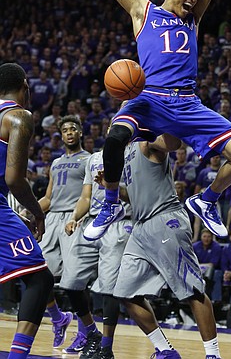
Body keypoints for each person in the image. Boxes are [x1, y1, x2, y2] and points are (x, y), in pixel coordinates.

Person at [85, 0, 231, 242]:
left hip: (187, 102)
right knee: (115, 139)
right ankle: (111, 202)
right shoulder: (142, 10)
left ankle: (207, 201)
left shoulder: (194, 17)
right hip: (148, 97)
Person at [90, 134, 222, 359]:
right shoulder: (126, 152)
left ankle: (213, 355)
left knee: (192, 291)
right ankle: (165, 350)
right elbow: (135, 197)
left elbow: (173, 143)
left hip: (165, 221)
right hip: (140, 227)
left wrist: (160, 119)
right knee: (125, 293)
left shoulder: (148, 140)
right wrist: (110, 186)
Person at [0, 63, 54, 358]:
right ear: (25, 86)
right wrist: (38, 212)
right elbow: (14, 180)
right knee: (40, 279)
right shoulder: (18, 116)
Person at [60, 148, 134, 357]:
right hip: (91, 221)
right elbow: (86, 195)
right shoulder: (94, 158)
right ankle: (92, 332)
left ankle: (106, 348)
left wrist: (112, 186)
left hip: (119, 223)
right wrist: (74, 216)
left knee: (108, 288)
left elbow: (138, 196)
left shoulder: (135, 156)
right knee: (70, 281)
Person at [37, 115, 90, 348]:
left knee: (73, 281)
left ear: (80, 133)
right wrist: (28, 211)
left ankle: (86, 332)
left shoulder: (89, 160)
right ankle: (58, 319)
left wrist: (79, 217)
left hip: (74, 218)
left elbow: (89, 196)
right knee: (38, 275)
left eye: (73, 129)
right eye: (65, 130)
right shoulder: (56, 163)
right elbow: (48, 198)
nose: (69, 132)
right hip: (52, 220)